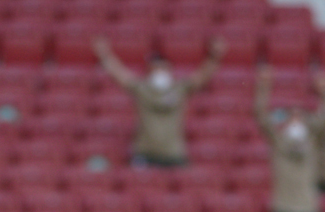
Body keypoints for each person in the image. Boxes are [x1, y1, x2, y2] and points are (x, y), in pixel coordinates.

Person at [94, 38, 226, 168]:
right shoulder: (142, 89)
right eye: (155, 68)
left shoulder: (179, 89)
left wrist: (214, 57)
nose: (159, 72)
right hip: (145, 152)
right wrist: (105, 55)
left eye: (163, 68)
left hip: (173, 154)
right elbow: (120, 76)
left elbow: (201, 78)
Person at [255, 67, 322, 212]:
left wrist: (324, 92)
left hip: (308, 211)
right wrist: (263, 87)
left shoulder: (313, 141)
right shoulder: (279, 141)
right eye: (291, 116)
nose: (295, 120)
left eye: (299, 116)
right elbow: (260, 115)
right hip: (284, 210)